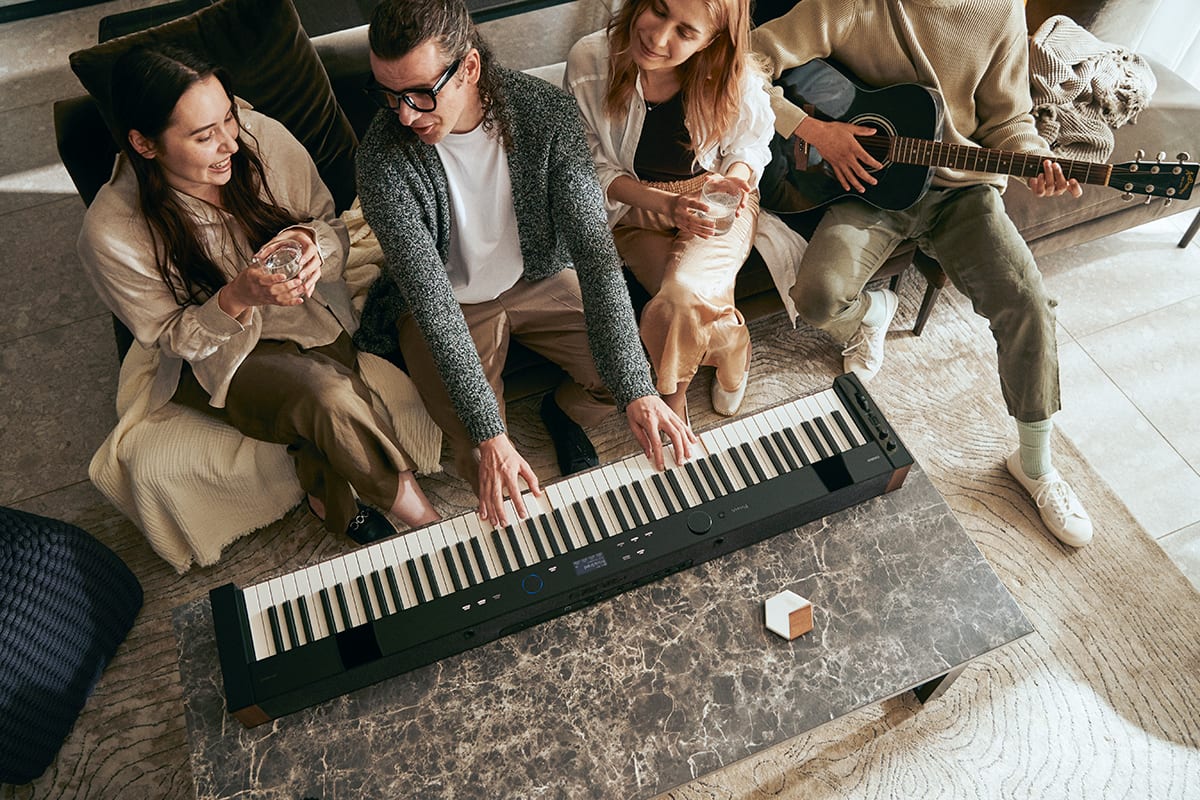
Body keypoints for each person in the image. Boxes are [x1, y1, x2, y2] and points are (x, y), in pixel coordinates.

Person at [752, 0, 1094, 547]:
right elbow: (748, 60)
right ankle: (875, 314)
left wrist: (1035, 155)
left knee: (1028, 302)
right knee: (816, 298)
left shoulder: (1000, 10)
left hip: (963, 191)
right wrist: (814, 130)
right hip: (873, 190)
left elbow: (1009, 119)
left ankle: (1035, 463)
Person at [78, 45, 441, 545]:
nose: (230, 142)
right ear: (144, 144)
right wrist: (237, 297)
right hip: (214, 354)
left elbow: (331, 226)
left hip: (309, 313)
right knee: (328, 393)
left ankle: (326, 497)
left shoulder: (259, 135)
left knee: (322, 393)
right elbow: (173, 339)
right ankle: (426, 520)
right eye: (205, 136)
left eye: (228, 117)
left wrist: (312, 243)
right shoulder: (111, 230)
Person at [353, 0, 697, 526]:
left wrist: (639, 392)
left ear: (469, 67)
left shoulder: (546, 114)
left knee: (631, 372)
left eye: (420, 93)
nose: (404, 114)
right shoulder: (381, 156)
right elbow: (431, 301)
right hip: (447, 306)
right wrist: (491, 436)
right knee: (479, 455)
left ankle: (558, 413)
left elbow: (596, 255)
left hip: (535, 278)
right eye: (389, 94)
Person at [565, 0, 772, 420]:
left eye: (685, 32)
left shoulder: (734, 75)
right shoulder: (589, 61)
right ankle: (734, 343)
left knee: (680, 296)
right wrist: (667, 205)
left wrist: (733, 177)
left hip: (716, 206)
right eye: (658, 11)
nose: (658, 38)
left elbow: (752, 142)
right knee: (683, 305)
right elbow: (593, 166)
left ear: (711, 39)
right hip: (636, 209)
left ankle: (671, 402)